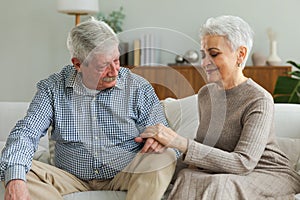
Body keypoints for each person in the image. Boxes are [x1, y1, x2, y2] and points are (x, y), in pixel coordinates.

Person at [0, 17, 178, 200]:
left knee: (163, 157)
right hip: (69, 177)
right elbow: (27, 132)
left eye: (116, 60)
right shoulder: (52, 88)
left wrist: (159, 140)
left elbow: (168, 136)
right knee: (14, 171)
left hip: (124, 173)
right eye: (103, 66)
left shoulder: (138, 87)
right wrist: (15, 179)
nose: (115, 71)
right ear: (78, 64)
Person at [139, 15, 300, 199]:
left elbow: (243, 163)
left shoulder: (259, 99)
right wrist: (163, 149)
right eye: (203, 54)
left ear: (240, 54)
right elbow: (204, 148)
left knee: (219, 184)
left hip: (266, 171)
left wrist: (180, 142)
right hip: (224, 171)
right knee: (187, 176)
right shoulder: (206, 95)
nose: (204, 62)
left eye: (214, 54)